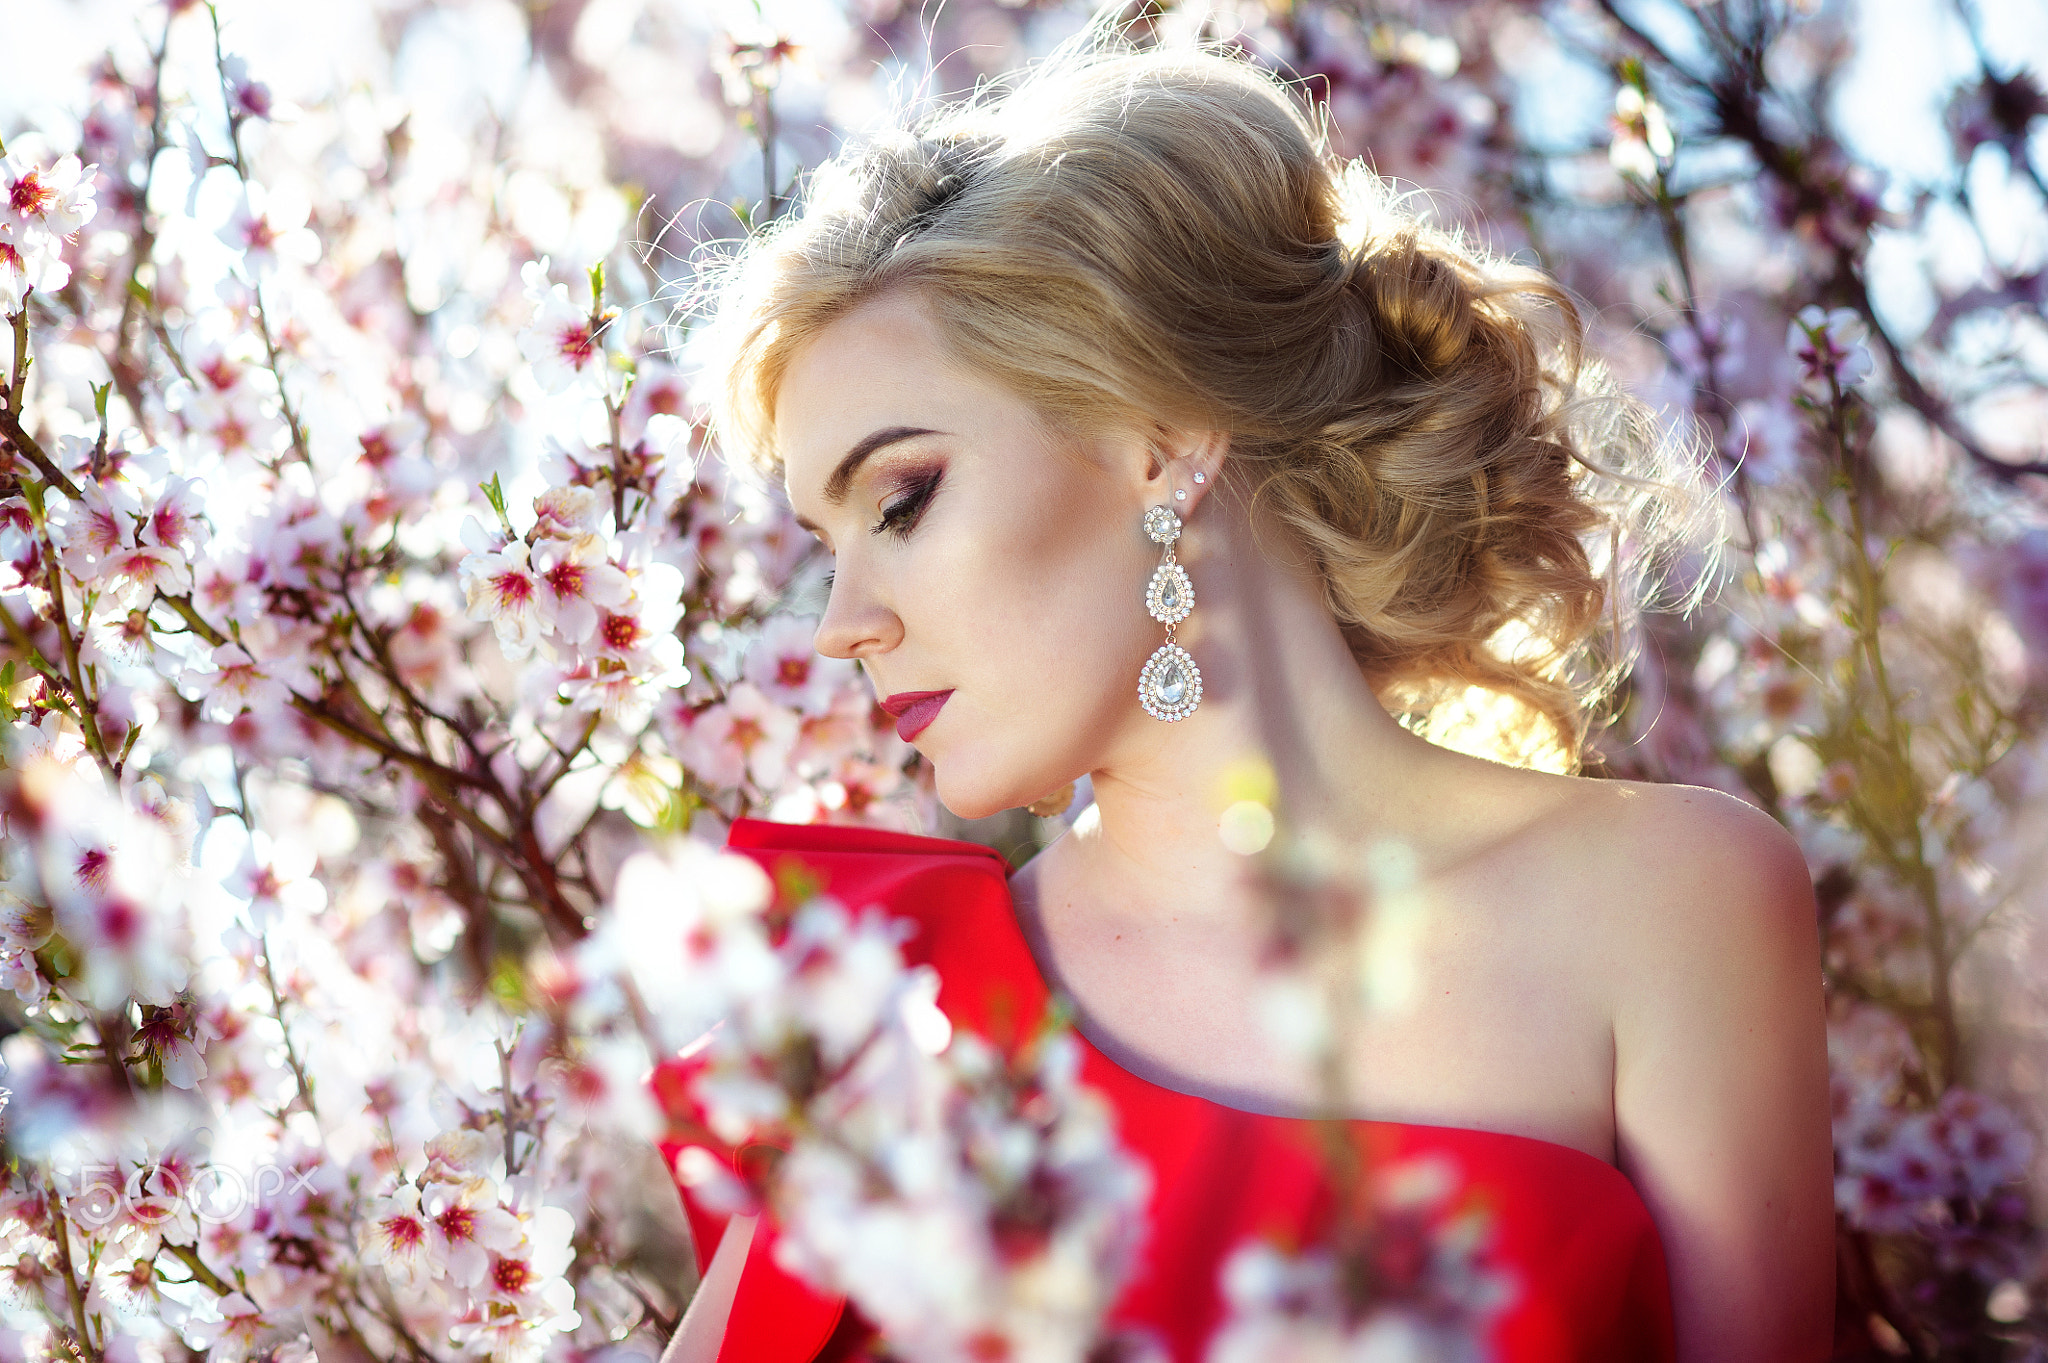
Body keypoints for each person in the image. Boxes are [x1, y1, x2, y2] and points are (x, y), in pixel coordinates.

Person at [656, 34, 1835, 1363]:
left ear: (1162, 437)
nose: (840, 624)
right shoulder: (886, 1008)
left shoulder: (1673, 903)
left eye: (903, 499)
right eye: (827, 542)